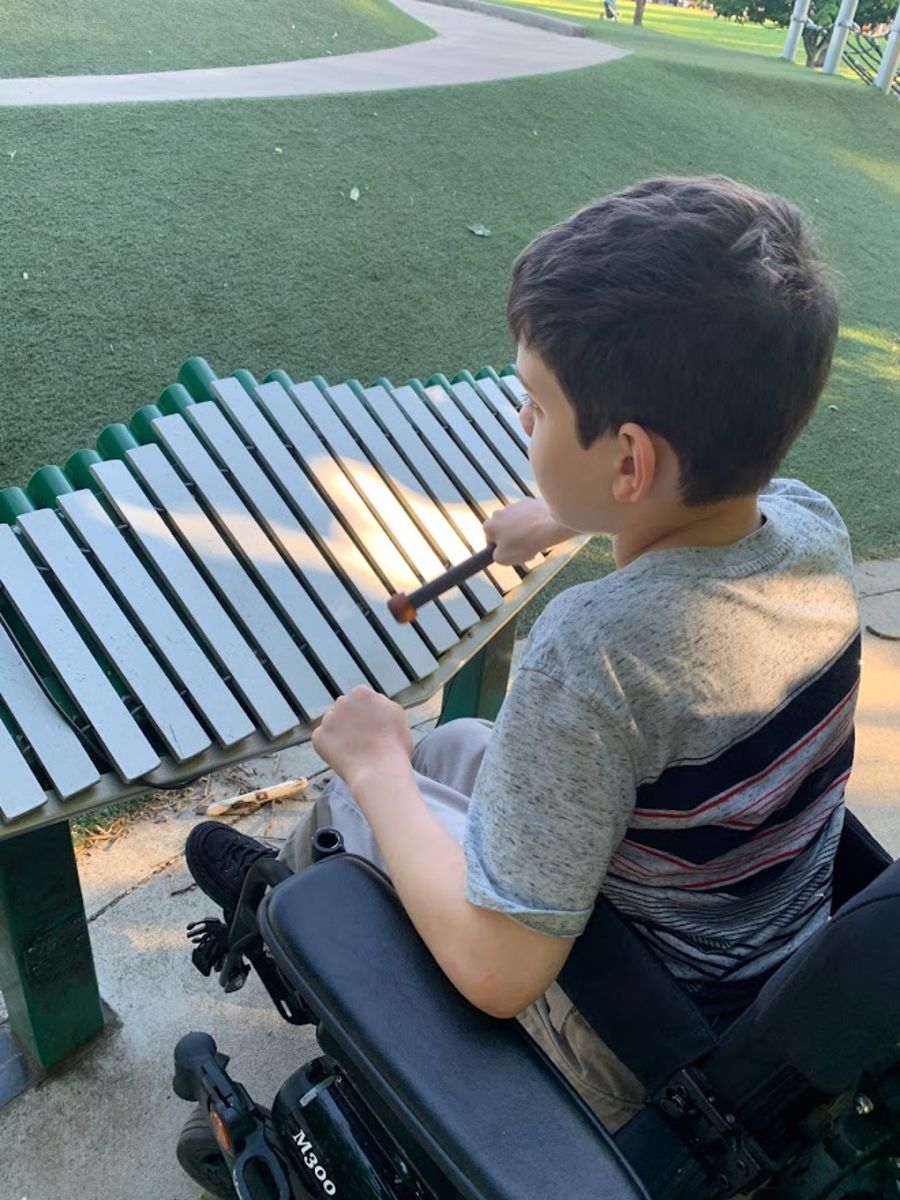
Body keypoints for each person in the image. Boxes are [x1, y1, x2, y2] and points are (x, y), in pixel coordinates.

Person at [186, 175, 859, 1131]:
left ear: (631, 461)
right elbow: (692, 533)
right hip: (759, 948)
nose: (522, 423)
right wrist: (568, 512)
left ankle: (284, 903)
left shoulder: (593, 658)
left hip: (625, 1035)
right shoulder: (810, 524)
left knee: (376, 788)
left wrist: (376, 765)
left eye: (536, 408)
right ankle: (312, 862)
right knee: (460, 751)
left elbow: (499, 973)